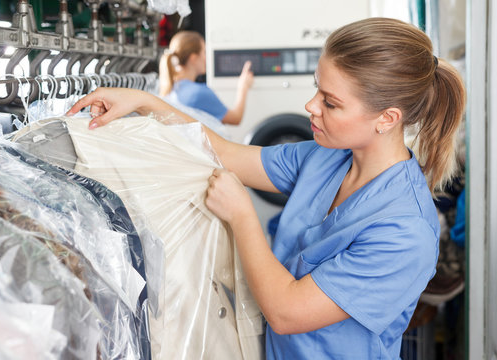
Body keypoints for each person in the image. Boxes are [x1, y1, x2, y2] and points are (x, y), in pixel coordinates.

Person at [66, 17, 465, 359]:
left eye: (330, 102)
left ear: (387, 118)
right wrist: (144, 102)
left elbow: (287, 311)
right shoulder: (325, 158)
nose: (311, 106)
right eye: (316, 89)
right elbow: (221, 152)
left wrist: (242, 215)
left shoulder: (405, 230)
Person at [159, 30, 254, 125]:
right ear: (193, 58)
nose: (206, 57)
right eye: (204, 52)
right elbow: (235, 118)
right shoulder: (198, 94)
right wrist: (243, 86)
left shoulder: (170, 88)